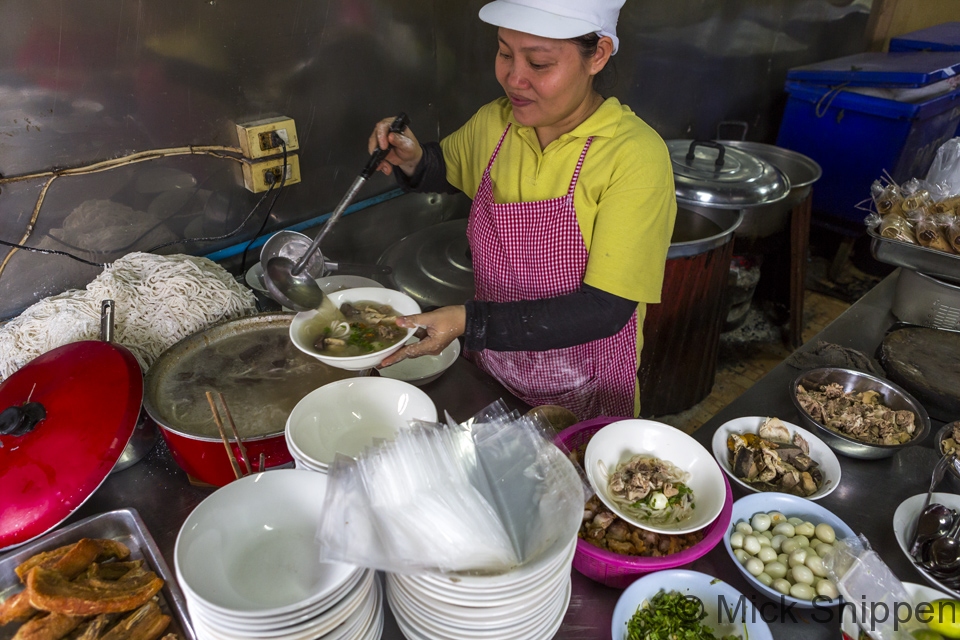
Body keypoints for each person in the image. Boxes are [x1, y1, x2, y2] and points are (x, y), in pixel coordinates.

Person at [370, 0, 677, 421]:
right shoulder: (496, 124)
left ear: (599, 55)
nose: (514, 79)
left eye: (539, 62)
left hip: (585, 386)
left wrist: (469, 322)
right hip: (495, 368)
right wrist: (412, 160)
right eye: (504, 52)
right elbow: (446, 168)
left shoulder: (634, 157)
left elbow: (605, 308)